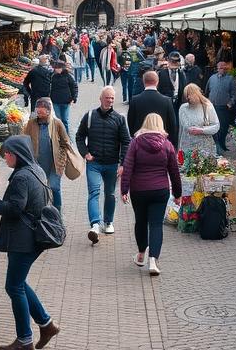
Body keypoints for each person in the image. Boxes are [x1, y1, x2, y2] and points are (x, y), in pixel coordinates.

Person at [0, 136, 61, 350]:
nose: (5, 157)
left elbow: (14, 209)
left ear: (17, 154)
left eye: (7, 153)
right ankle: (46, 324)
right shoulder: (35, 170)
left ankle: (24, 339)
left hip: (24, 239)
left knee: (14, 286)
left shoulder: (21, 177)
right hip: (33, 237)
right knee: (19, 283)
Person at [122, 114, 182, 276]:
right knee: (156, 225)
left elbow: (128, 166)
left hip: (138, 190)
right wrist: (177, 193)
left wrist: (124, 189)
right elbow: (174, 171)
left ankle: (141, 253)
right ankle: (153, 260)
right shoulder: (167, 145)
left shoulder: (135, 143)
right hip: (160, 190)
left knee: (140, 222)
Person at [77, 85, 131, 243]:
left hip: (112, 163)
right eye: (107, 98)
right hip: (94, 163)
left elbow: (126, 142)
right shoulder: (89, 116)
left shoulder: (120, 119)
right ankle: (95, 224)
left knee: (110, 194)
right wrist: (85, 153)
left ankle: (108, 222)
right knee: (94, 192)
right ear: (100, 98)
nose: (110, 100)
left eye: (112, 98)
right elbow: (79, 136)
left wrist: (122, 164)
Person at [22, 97, 70, 211]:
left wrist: (62, 159)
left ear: (48, 111)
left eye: (40, 111)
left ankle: (57, 214)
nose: (38, 114)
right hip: (37, 164)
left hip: (54, 163)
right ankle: (41, 213)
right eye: (37, 111)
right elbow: (23, 139)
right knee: (39, 189)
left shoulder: (57, 124)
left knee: (54, 187)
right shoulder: (31, 124)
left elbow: (65, 142)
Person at [128, 70, 179, 149]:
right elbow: (172, 125)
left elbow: (130, 121)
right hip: (161, 143)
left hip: (140, 143)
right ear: (157, 82)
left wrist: (134, 136)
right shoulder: (167, 101)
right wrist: (172, 144)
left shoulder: (135, 100)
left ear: (143, 81)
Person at [177, 84, 221, 159]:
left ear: (195, 94)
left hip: (206, 148)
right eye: (186, 95)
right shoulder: (183, 108)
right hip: (187, 148)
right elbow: (184, 129)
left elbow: (216, 126)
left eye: (188, 95)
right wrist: (179, 149)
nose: (187, 98)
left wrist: (202, 130)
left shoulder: (207, 106)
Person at [206, 60, 236, 156]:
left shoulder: (230, 79)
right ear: (217, 69)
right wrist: (207, 102)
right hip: (212, 107)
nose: (223, 69)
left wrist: (230, 103)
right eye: (221, 68)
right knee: (213, 127)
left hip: (224, 108)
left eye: (225, 68)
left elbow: (235, 94)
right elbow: (207, 90)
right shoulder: (212, 78)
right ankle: (217, 146)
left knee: (223, 128)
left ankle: (222, 144)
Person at [47, 59, 78, 133]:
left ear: (62, 68)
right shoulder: (52, 76)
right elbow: (47, 86)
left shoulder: (68, 76)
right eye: (56, 68)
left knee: (65, 120)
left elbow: (74, 87)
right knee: (58, 120)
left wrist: (74, 98)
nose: (57, 69)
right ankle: (59, 135)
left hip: (66, 101)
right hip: (55, 101)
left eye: (58, 68)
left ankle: (66, 136)